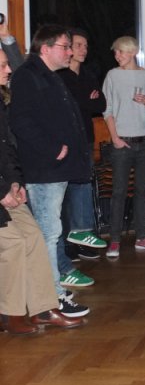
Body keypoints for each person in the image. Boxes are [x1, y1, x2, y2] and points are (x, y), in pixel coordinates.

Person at [9, 24, 90, 317]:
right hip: (45, 169)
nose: (70, 52)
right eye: (65, 47)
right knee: (48, 233)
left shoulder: (49, 75)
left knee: (51, 231)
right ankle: (52, 298)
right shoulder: (27, 76)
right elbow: (20, 121)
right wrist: (53, 148)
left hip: (57, 168)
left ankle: (49, 291)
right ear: (46, 48)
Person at [103, 36, 145, 258]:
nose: (117, 56)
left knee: (141, 190)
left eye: (120, 51)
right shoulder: (112, 75)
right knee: (118, 191)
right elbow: (107, 110)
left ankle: (142, 237)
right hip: (123, 142)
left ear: (132, 52)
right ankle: (114, 240)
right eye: (115, 52)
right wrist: (115, 138)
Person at [57, 28, 107, 266]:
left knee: (83, 187)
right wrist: (87, 100)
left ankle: (82, 240)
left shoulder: (88, 74)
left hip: (86, 138)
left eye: (86, 46)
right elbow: (67, 106)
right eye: (78, 45)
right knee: (65, 193)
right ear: (67, 47)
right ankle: (67, 245)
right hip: (65, 141)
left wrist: (84, 102)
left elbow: (101, 104)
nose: (83, 50)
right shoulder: (59, 74)